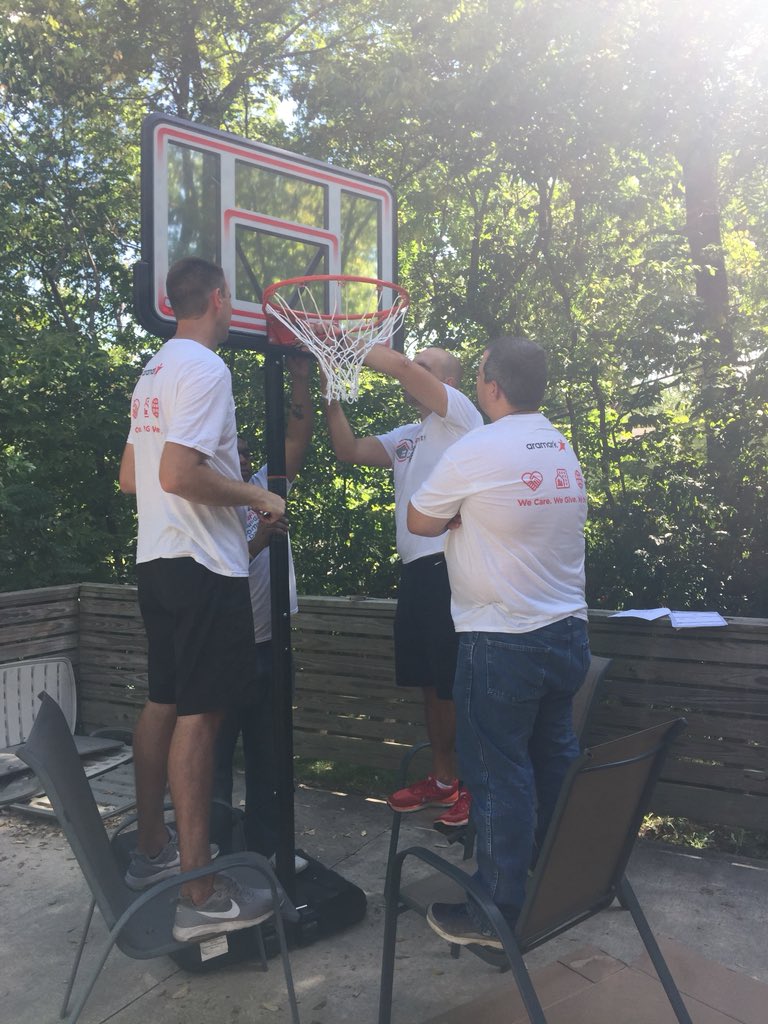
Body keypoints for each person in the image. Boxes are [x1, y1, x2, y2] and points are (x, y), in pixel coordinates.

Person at [118, 257, 286, 943]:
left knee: (164, 701)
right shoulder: (208, 369)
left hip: (157, 560)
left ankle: (153, 851)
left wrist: (220, 473)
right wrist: (255, 494)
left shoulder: (155, 369)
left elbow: (133, 477)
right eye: (231, 298)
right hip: (202, 565)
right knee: (202, 717)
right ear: (218, 299)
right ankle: (201, 890)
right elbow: (176, 472)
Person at [407, 336, 590, 948]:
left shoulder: (478, 448)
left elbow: (420, 520)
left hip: (500, 639)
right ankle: (564, 878)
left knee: (497, 773)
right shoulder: (562, 448)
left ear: (490, 387)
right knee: (556, 756)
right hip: (566, 633)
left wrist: (463, 513)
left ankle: (499, 909)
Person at [324, 343, 482, 826]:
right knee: (431, 684)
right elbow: (347, 450)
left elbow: (400, 367)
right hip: (416, 572)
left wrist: (339, 342)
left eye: (426, 367)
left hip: (450, 566)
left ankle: (476, 788)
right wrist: (332, 393)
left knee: (459, 682)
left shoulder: (462, 418)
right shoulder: (409, 437)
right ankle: (442, 779)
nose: (413, 372)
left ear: (449, 383)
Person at [213, 355, 313, 872]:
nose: (247, 459)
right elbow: (218, 570)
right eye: (237, 453)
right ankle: (213, 852)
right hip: (226, 646)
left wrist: (299, 377)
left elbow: (294, 440)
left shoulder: (264, 491)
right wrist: (257, 542)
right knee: (214, 755)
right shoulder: (206, 504)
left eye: (250, 452)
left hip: (272, 639)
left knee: (269, 754)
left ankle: (269, 848)